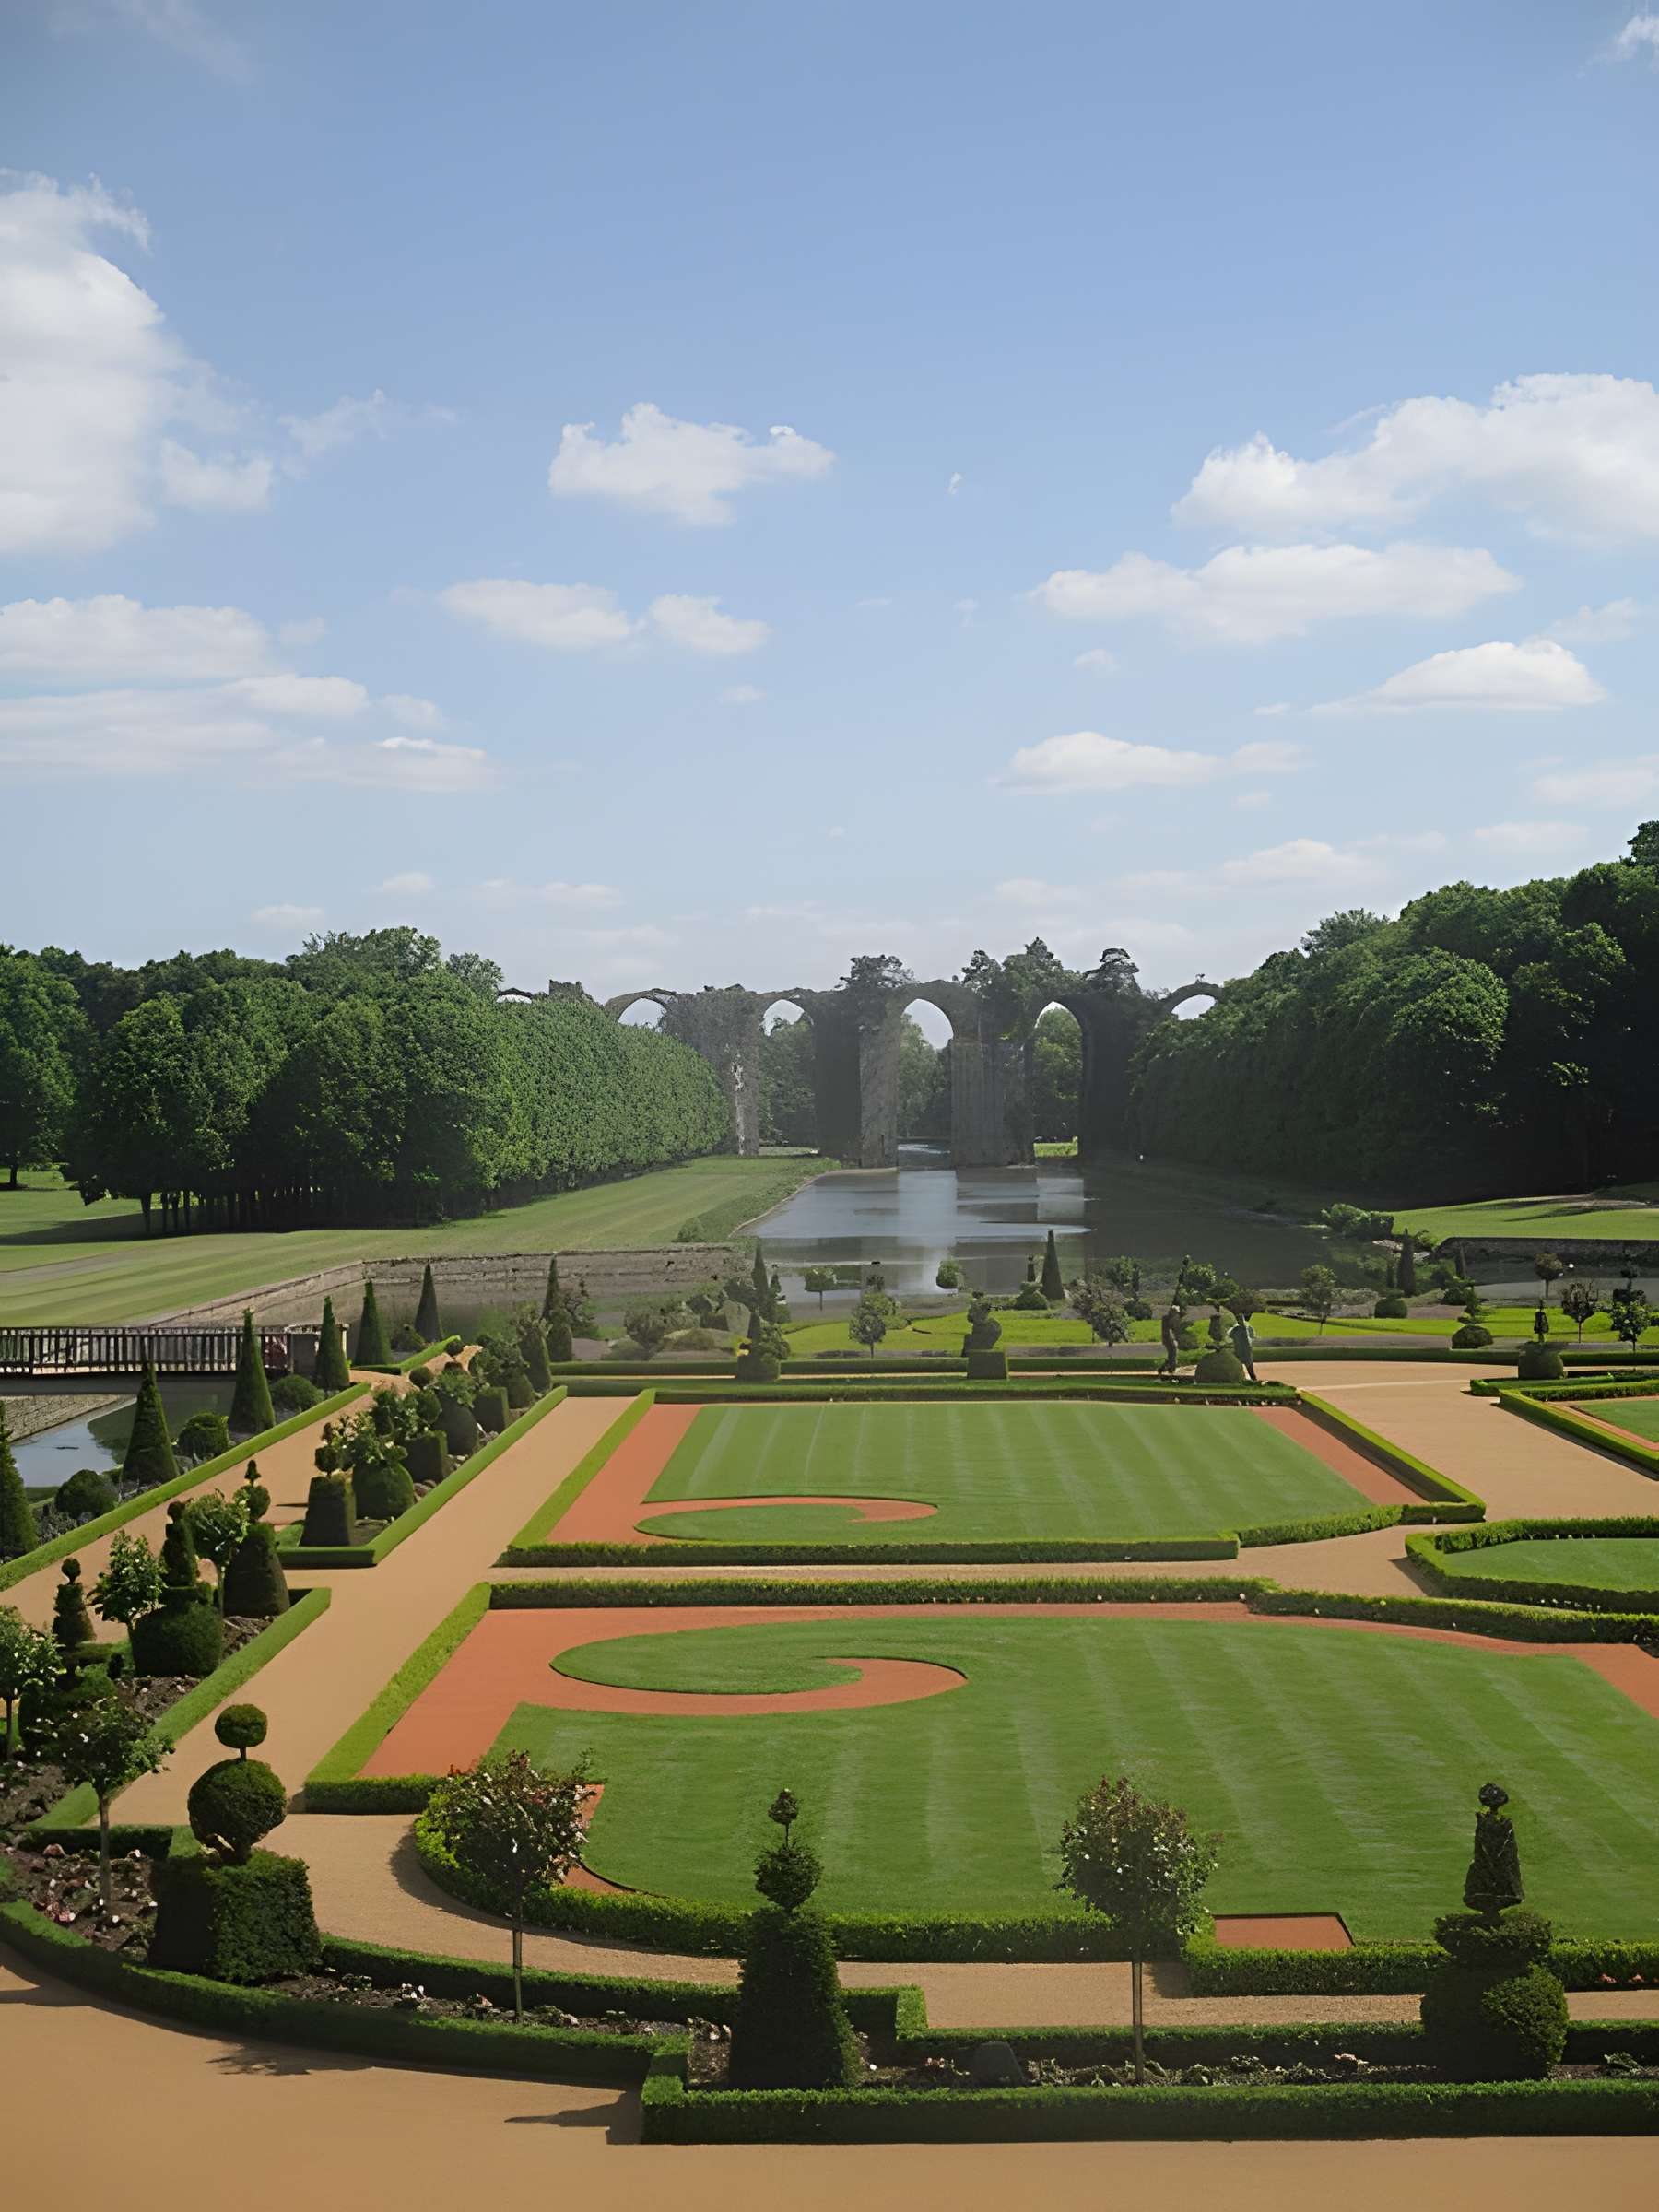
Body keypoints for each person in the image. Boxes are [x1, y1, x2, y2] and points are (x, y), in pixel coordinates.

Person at [1228, 1310, 1258, 1382]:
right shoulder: (1235, 1330)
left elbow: (1252, 1337)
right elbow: (1229, 1336)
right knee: (1237, 1369)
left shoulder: (1248, 1328)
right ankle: (1239, 1381)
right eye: (1238, 1319)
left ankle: (1254, 1381)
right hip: (1238, 1351)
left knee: (1250, 1370)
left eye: (1241, 1318)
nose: (1240, 1320)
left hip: (1247, 1352)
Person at [1159, 1302, 1183, 1380]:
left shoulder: (1165, 1317)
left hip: (1166, 1338)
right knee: (1173, 1353)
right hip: (1169, 1338)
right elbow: (1173, 1329)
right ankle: (1171, 1369)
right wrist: (1175, 1339)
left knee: (1171, 1354)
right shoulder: (1170, 1318)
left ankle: (1164, 1368)